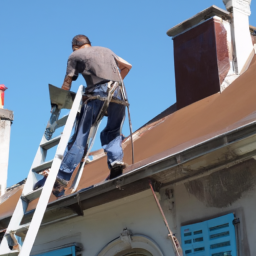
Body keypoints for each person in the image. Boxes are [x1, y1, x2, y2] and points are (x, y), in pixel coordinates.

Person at [34, 34, 132, 197]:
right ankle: (115, 161)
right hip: (119, 94)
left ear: (75, 47)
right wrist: (112, 83)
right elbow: (127, 66)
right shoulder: (106, 50)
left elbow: (67, 82)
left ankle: (61, 179)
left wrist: (57, 103)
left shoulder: (75, 55)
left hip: (97, 94)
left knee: (80, 138)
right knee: (112, 133)